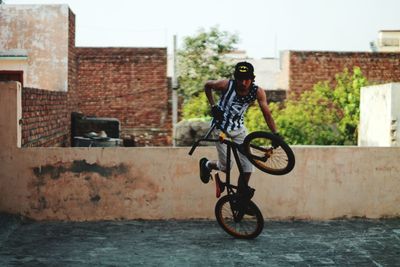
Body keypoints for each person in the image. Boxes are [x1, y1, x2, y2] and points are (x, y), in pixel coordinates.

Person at [199, 61, 278, 195]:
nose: (243, 83)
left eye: (247, 79)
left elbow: (266, 113)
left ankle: (240, 199)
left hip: (239, 129)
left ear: (252, 79)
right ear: (236, 78)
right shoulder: (226, 85)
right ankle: (207, 165)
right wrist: (213, 106)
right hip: (220, 128)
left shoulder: (257, 92)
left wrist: (275, 134)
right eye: (240, 79)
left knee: (248, 168)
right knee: (226, 167)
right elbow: (207, 86)